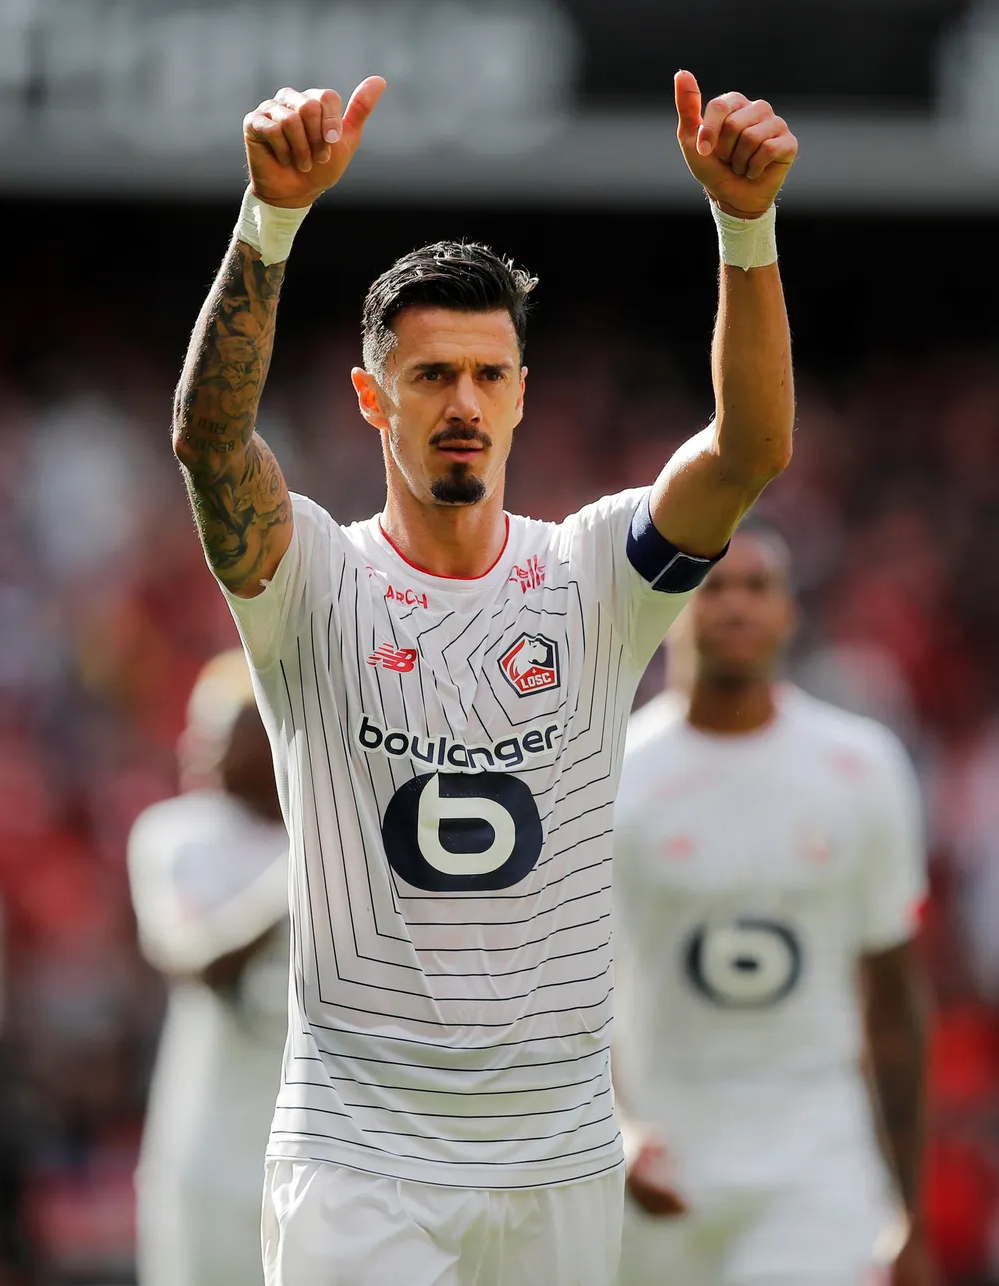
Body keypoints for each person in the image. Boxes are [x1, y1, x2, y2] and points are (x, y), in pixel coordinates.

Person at [170, 67, 797, 1285]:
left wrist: (746, 223)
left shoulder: (594, 575)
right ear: (371, 397)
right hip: (358, 1153)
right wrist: (272, 216)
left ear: (520, 395)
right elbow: (208, 443)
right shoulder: (311, 580)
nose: (462, 402)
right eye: (429, 374)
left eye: (487, 374)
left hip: (557, 1156)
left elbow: (750, 450)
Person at [612, 520, 931, 1286]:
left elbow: (894, 997)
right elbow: (566, 989)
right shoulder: (613, 773)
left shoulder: (861, 767)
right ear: (671, 610)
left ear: (789, 612)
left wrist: (908, 1207)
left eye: (757, 587)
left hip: (815, 1161)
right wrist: (616, 1132)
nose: (736, 605)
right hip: (666, 1156)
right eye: (713, 587)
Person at [128, 651, 289, 1286]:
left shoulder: (326, 837)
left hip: (319, 1155)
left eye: (222, 731)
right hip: (208, 1152)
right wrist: (300, 875)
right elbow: (191, 957)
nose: (198, 747)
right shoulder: (179, 834)